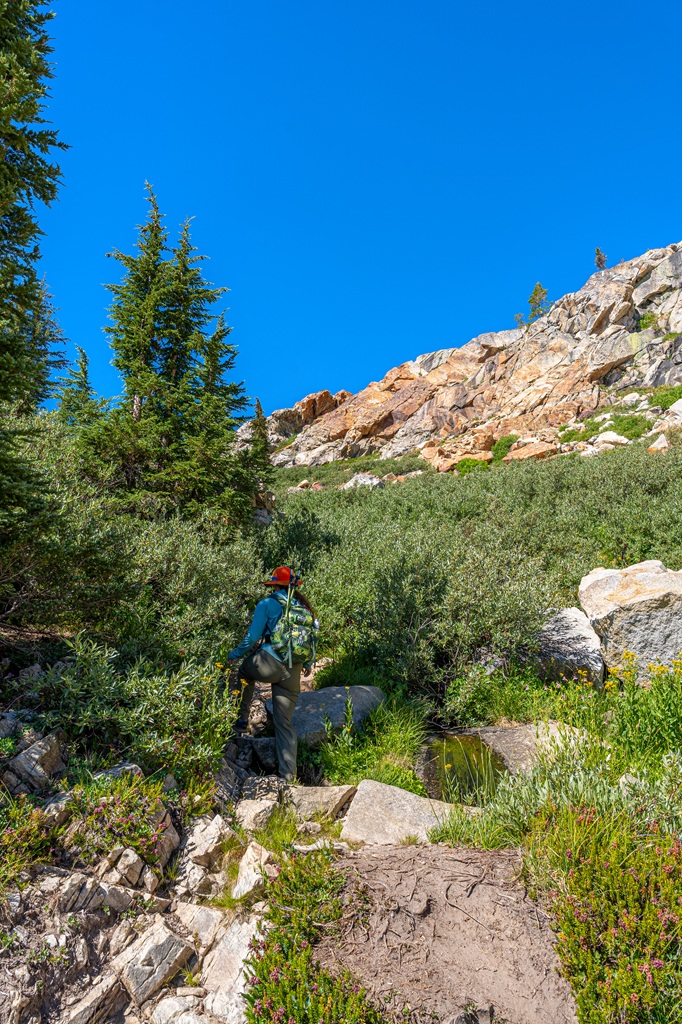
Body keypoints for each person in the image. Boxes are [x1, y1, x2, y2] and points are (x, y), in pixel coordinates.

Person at [227, 566, 317, 782]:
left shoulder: (267, 604)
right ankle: (288, 778)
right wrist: (308, 662)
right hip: (293, 670)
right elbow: (311, 639)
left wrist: (233, 654)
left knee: (243, 673)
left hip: (269, 662)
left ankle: (240, 722)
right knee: (283, 723)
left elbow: (252, 638)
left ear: (274, 585)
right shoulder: (302, 608)